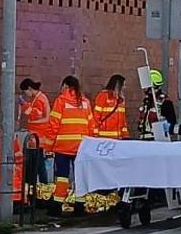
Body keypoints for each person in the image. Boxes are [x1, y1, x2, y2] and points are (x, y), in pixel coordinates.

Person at [45, 75, 96, 212]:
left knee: (62, 176)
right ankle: (80, 205)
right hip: (81, 147)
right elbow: (92, 126)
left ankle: (57, 206)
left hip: (63, 146)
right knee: (80, 176)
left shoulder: (61, 101)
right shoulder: (85, 102)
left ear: (66, 86)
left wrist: (48, 146)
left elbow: (53, 125)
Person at [18, 78, 50, 185]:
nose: (26, 95)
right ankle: (41, 186)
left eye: (25, 92)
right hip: (37, 137)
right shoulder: (38, 98)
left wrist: (24, 105)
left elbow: (36, 114)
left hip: (38, 137)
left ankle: (41, 186)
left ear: (29, 89)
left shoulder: (39, 99)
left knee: (38, 165)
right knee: (39, 164)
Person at [138, 69, 177, 140]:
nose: (144, 89)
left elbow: (172, 124)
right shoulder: (147, 102)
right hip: (144, 139)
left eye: (146, 87)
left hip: (157, 140)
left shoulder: (165, 103)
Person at [92, 74, 130, 140]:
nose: (124, 87)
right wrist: (95, 133)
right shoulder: (103, 96)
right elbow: (96, 115)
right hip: (103, 136)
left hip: (118, 137)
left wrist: (125, 135)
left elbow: (123, 120)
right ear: (118, 85)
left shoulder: (121, 100)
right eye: (123, 85)